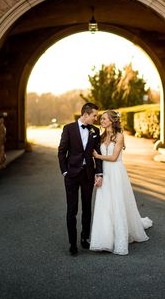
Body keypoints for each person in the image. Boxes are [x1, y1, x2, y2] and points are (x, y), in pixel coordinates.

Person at [90, 110, 153, 255]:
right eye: (101, 119)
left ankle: (119, 238)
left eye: (105, 119)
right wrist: (98, 173)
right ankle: (104, 239)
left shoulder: (119, 136)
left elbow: (113, 158)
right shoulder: (101, 136)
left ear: (112, 120)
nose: (102, 121)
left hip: (116, 172)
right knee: (104, 204)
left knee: (117, 203)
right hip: (104, 173)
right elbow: (99, 160)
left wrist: (97, 155)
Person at [58, 103, 103, 256]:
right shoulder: (68, 129)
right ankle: (72, 243)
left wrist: (99, 173)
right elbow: (61, 151)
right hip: (71, 175)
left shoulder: (95, 131)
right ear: (85, 114)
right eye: (94, 116)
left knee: (86, 208)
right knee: (72, 210)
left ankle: (85, 238)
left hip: (88, 175)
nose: (96, 118)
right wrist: (65, 172)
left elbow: (98, 155)